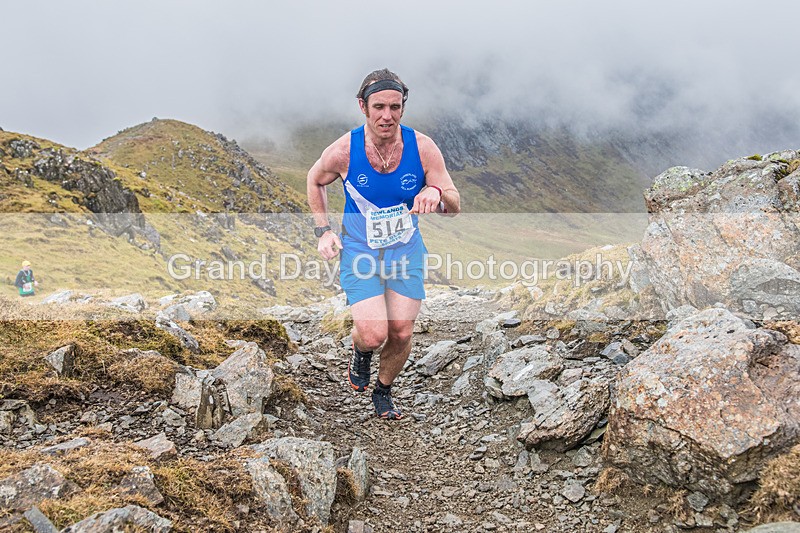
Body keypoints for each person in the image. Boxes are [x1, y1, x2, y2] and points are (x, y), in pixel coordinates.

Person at [307, 68, 461, 420]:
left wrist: (435, 191)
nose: (386, 116)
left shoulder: (422, 148)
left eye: (394, 107)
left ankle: (384, 390)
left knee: (402, 330)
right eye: (378, 107)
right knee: (375, 333)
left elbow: (454, 205)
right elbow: (314, 180)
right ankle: (361, 351)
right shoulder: (345, 150)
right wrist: (323, 230)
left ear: (403, 107)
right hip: (360, 252)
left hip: (405, 251)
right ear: (363, 106)